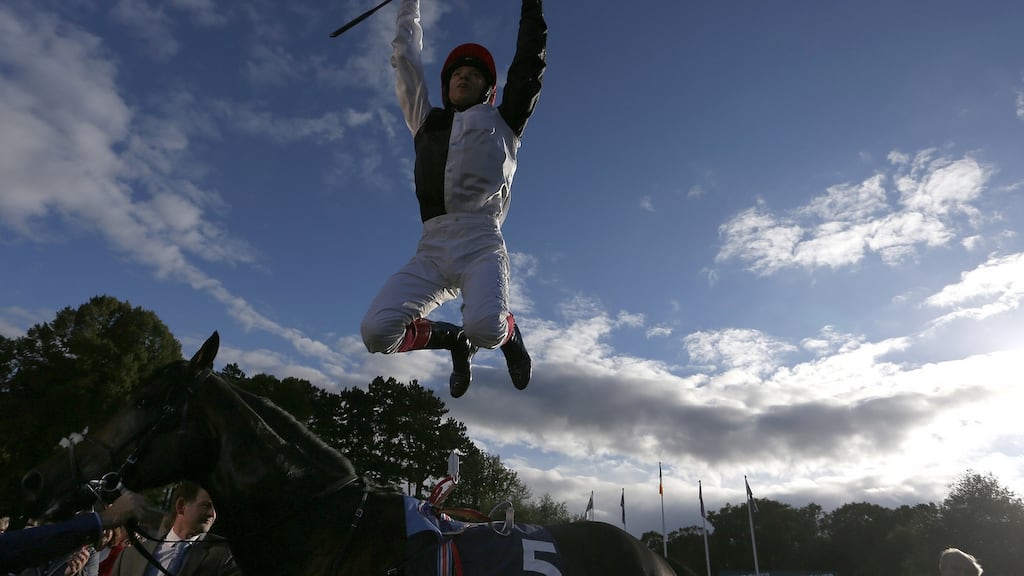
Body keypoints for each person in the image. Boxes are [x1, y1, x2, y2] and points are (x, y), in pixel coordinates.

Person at [360, 0, 547, 398]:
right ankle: (451, 340)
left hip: (481, 242)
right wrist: (409, 5)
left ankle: (510, 334)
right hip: (432, 247)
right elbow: (405, 57)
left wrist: (532, 8)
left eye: (472, 75)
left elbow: (529, 64)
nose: (462, 78)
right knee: (377, 332)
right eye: (456, 74)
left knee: (487, 328)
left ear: (489, 89)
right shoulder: (425, 121)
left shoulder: (505, 121)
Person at [0, 491, 150, 574]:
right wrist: (103, 519)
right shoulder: (47, 533)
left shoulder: (90, 554)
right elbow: (13, 549)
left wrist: (72, 574)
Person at [108, 482, 236, 576]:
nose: (212, 514)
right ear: (181, 506)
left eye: (215, 508)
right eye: (206, 505)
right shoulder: (130, 556)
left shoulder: (224, 557)